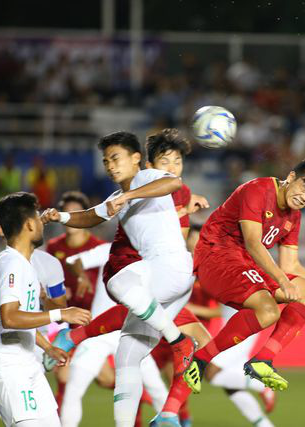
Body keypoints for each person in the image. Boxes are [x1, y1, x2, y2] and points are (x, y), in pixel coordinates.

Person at [40, 131, 196, 427]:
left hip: (169, 267)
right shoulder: (117, 197)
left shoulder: (146, 178)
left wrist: (129, 196)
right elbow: (90, 216)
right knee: (127, 358)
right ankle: (160, 418)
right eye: (105, 161)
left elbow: (174, 182)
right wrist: (59, 217)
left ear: (137, 158)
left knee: (117, 282)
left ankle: (179, 342)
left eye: (116, 158)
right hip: (167, 281)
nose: (110, 166)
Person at [182, 154, 305, 394]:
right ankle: (202, 360)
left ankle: (263, 360)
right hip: (216, 257)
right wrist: (283, 282)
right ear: (291, 177)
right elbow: (254, 243)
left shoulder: (294, 217)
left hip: (246, 266)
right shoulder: (258, 189)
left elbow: (291, 265)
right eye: (304, 188)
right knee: (268, 310)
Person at [0, 192, 91, 426]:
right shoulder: (12, 266)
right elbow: (9, 318)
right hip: (9, 367)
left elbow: (24, 319)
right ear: (30, 224)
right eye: (38, 218)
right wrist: (61, 313)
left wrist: (49, 348)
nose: (43, 222)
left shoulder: (24, 264)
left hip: (28, 362)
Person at [0, 226, 68, 427]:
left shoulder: (49, 264)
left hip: (31, 351)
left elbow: (60, 313)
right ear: (1, 229)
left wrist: (43, 302)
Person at [58, 242, 168, 427]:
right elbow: (74, 261)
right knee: (74, 388)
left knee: (158, 390)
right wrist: (81, 276)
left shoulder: (156, 256)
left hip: (133, 334)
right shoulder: (112, 249)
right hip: (99, 333)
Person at [46, 191, 106, 406]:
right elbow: (45, 282)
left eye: (75, 212)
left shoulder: (99, 248)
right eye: (66, 212)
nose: (70, 217)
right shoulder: (54, 247)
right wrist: (58, 295)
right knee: (63, 376)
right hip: (69, 323)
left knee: (108, 379)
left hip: (96, 323)